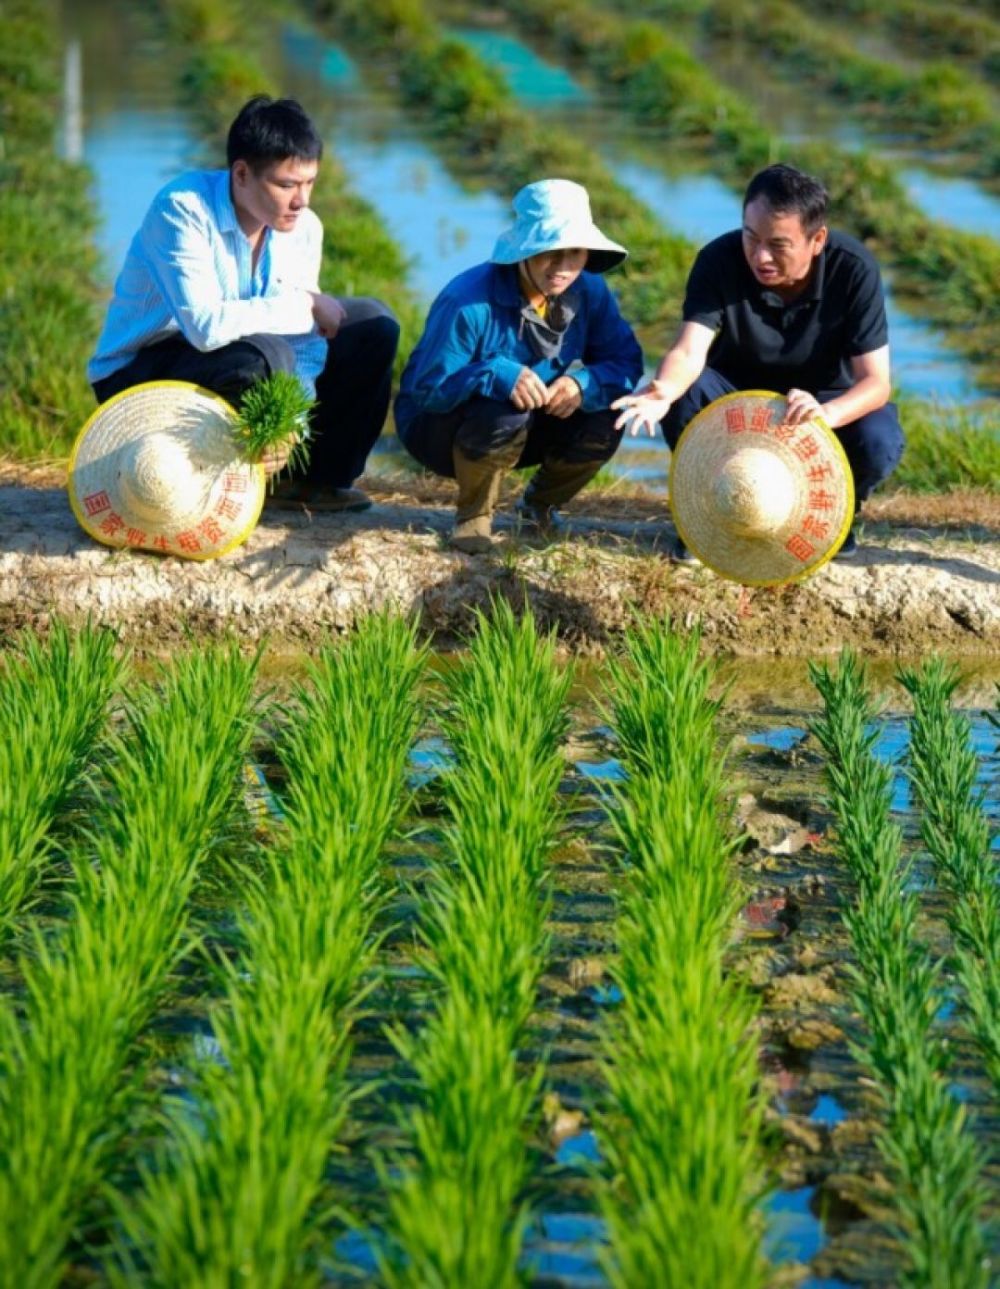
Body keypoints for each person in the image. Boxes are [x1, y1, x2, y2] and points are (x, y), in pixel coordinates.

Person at [88, 95, 399, 511]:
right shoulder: (182, 210)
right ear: (241, 174)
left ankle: (314, 481)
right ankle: (212, 479)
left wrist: (292, 419)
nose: (301, 200)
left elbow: (303, 343)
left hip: (243, 356)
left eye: (309, 182)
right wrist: (305, 302)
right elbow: (205, 328)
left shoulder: (304, 228)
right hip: (138, 371)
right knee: (265, 354)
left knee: (372, 326)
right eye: (286, 185)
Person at [613, 163, 904, 559]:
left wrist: (826, 414)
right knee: (684, 395)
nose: (760, 256)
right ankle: (709, 513)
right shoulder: (719, 259)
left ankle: (839, 512)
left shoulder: (852, 268)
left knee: (878, 437)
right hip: (735, 395)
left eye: (778, 244)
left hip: (821, 401)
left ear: (817, 239)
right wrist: (662, 389)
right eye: (751, 237)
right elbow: (688, 350)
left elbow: (875, 382)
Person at [394, 179, 644, 553]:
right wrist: (494, 374)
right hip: (442, 427)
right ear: (524, 251)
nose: (562, 267)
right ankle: (474, 516)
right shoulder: (468, 301)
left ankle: (539, 506)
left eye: (575, 253)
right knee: (503, 408)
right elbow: (428, 390)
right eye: (550, 252)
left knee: (608, 415)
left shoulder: (590, 291)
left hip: (528, 425)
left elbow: (626, 362)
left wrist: (582, 383)